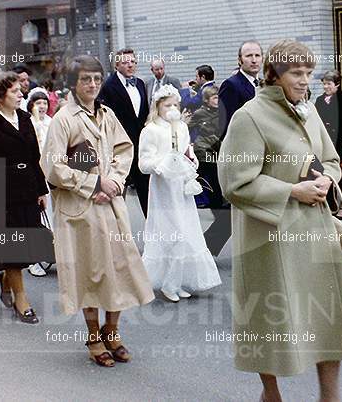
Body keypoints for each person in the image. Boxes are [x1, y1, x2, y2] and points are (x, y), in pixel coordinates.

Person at [219, 40, 342, 402]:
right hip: (270, 239)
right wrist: (292, 190)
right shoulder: (249, 116)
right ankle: (271, 394)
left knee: (328, 317)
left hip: (316, 232)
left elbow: (331, 160)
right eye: (296, 73)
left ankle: (329, 396)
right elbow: (235, 181)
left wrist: (325, 179)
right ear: (274, 74)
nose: (305, 81)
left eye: (309, 73)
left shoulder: (309, 111)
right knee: (270, 321)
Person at [40, 55, 154, 367]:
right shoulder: (63, 120)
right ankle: (94, 336)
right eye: (85, 79)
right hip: (81, 209)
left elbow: (123, 148)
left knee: (119, 269)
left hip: (112, 207)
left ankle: (112, 331)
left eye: (95, 79)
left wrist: (115, 181)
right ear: (73, 84)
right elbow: (52, 166)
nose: (91, 85)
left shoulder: (107, 113)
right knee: (90, 273)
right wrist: (94, 184)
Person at [0, 71, 48, 324]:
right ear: (0, 95)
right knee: (12, 248)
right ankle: (21, 301)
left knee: (26, 246)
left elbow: (34, 157)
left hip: (26, 189)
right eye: (15, 91)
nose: (21, 94)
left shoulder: (24, 118)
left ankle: (6, 279)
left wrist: (41, 190)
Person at [138, 85, 221, 302]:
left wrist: (190, 159)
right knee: (172, 233)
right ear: (158, 107)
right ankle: (168, 283)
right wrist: (163, 163)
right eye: (168, 105)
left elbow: (188, 150)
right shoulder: (150, 130)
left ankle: (179, 281)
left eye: (175, 104)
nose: (173, 108)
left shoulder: (182, 128)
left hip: (181, 189)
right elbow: (143, 163)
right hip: (163, 190)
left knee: (186, 232)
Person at [98, 48, 150, 216]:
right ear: (117, 65)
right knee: (119, 189)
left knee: (146, 190)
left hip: (141, 146)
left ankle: (154, 232)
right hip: (119, 147)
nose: (130, 65)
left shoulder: (140, 84)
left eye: (133, 62)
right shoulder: (108, 86)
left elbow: (145, 113)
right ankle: (118, 230)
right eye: (126, 62)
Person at [314, 70, 342, 219]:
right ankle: (331, 206)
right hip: (326, 144)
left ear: (337, 84)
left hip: (341, 144)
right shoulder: (319, 101)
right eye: (324, 84)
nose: (326, 87)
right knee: (327, 174)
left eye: (329, 84)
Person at [26, 88, 53, 278]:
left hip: (51, 175)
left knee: (52, 216)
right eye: (38, 103)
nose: (42, 106)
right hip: (34, 175)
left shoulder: (52, 123)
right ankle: (32, 260)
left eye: (44, 102)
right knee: (34, 217)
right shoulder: (27, 123)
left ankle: (53, 251)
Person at [218, 40, 263, 138]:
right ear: (239, 60)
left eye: (257, 55)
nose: (254, 60)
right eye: (249, 56)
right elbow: (225, 125)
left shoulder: (264, 84)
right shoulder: (230, 85)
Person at [189, 85, 222, 214]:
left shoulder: (221, 111)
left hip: (217, 148)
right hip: (203, 149)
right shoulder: (200, 113)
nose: (217, 100)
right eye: (214, 98)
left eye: (219, 98)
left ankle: (216, 202)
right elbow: (188, 126)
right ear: (207, 100)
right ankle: (210, 201)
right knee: (207, 176)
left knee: (215, 177)